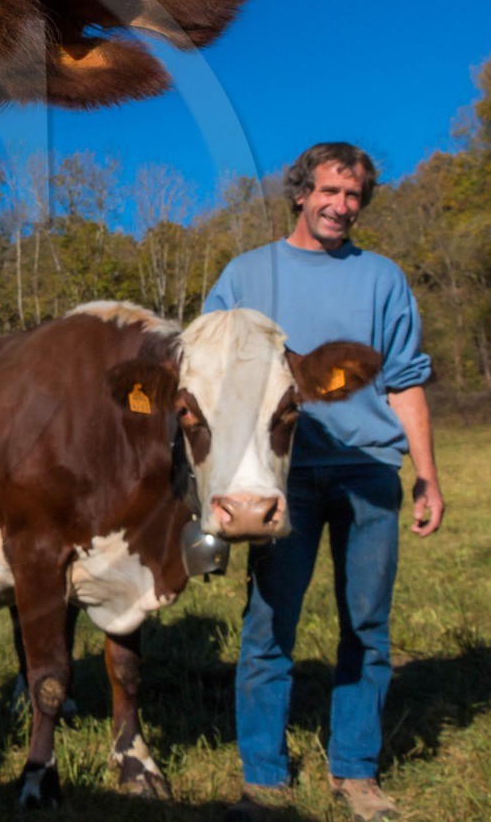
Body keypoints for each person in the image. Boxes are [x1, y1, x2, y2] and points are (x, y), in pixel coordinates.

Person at [207, 143, 445, 822]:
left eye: (355, 196)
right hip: (282, 477)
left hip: (370, 473)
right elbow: (208, 368)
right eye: (330, 192)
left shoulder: (382, 279)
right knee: (269, 626)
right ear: (301, 194)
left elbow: (405, 382)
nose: (342, 207)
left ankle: (356, 771)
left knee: (367, 625)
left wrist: (426, 475)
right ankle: (263, 778)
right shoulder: (247, 276)